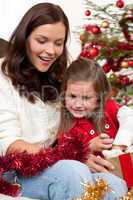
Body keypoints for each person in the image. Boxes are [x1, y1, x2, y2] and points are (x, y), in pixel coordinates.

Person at [0, 3, 128, 200]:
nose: (51, 51)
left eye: (58, 43)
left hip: (56, 161)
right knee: (72, 173)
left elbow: (87, 111)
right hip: (16, 169)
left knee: (114, 183)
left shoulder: (59, 76)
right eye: (42, 41)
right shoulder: (3, 77)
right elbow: (11, 145)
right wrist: (72, 155)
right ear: (24, 39)